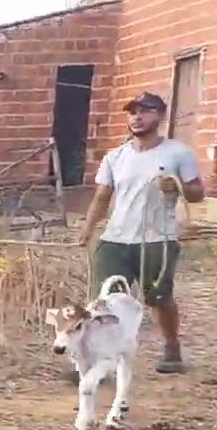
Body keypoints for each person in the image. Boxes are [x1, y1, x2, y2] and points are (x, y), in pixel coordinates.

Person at [67, 91, 205, 384]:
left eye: (145, 111)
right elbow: (102, 197)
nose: (137, 117)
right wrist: (88, 228)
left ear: (161, 116)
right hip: (115, 239)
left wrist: (176, 185)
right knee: (104, 301)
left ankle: (171, 348)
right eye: (132, 112)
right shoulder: (115, 156)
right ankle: (94, 360)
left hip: (158, 240)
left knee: (158, 298)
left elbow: (196, 194)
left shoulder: (177, 153)